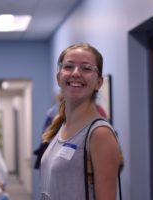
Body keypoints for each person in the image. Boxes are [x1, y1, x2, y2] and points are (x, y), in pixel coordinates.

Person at [40, 43, 123, 199]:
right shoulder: (62, 126)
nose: (76, 73)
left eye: (86, 68)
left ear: (99, 82)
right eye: (69, 66)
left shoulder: (100, 134)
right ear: (59, 77)